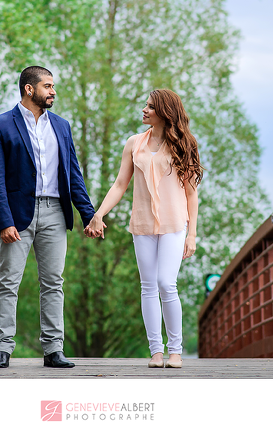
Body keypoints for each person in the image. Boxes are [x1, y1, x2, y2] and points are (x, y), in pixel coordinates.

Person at [0, 66, 96, 368]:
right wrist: (4, 220)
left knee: (53, 283)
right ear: (29, 89)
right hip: (17, 215)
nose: (53, 91)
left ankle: (54, 349)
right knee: (8, 281)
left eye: (53, 86)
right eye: (48, 86)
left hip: (55, 212)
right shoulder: (0, 124)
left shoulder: (61, 126)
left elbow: (73, 174)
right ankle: (2, 348)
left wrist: (88, 215)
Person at [85, 89, 202, 368]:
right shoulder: (133, 143)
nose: (144, 110)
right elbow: (119, 184)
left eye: (150, 106)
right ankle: (156, 353)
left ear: (164, 112)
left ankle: (175, 352)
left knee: (166, 284)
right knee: (148, 286)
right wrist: (99, 213)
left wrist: (192, 234)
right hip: (142, 223)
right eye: (145, 105)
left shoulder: (184, 144)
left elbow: (191, 194)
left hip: (174, 223)